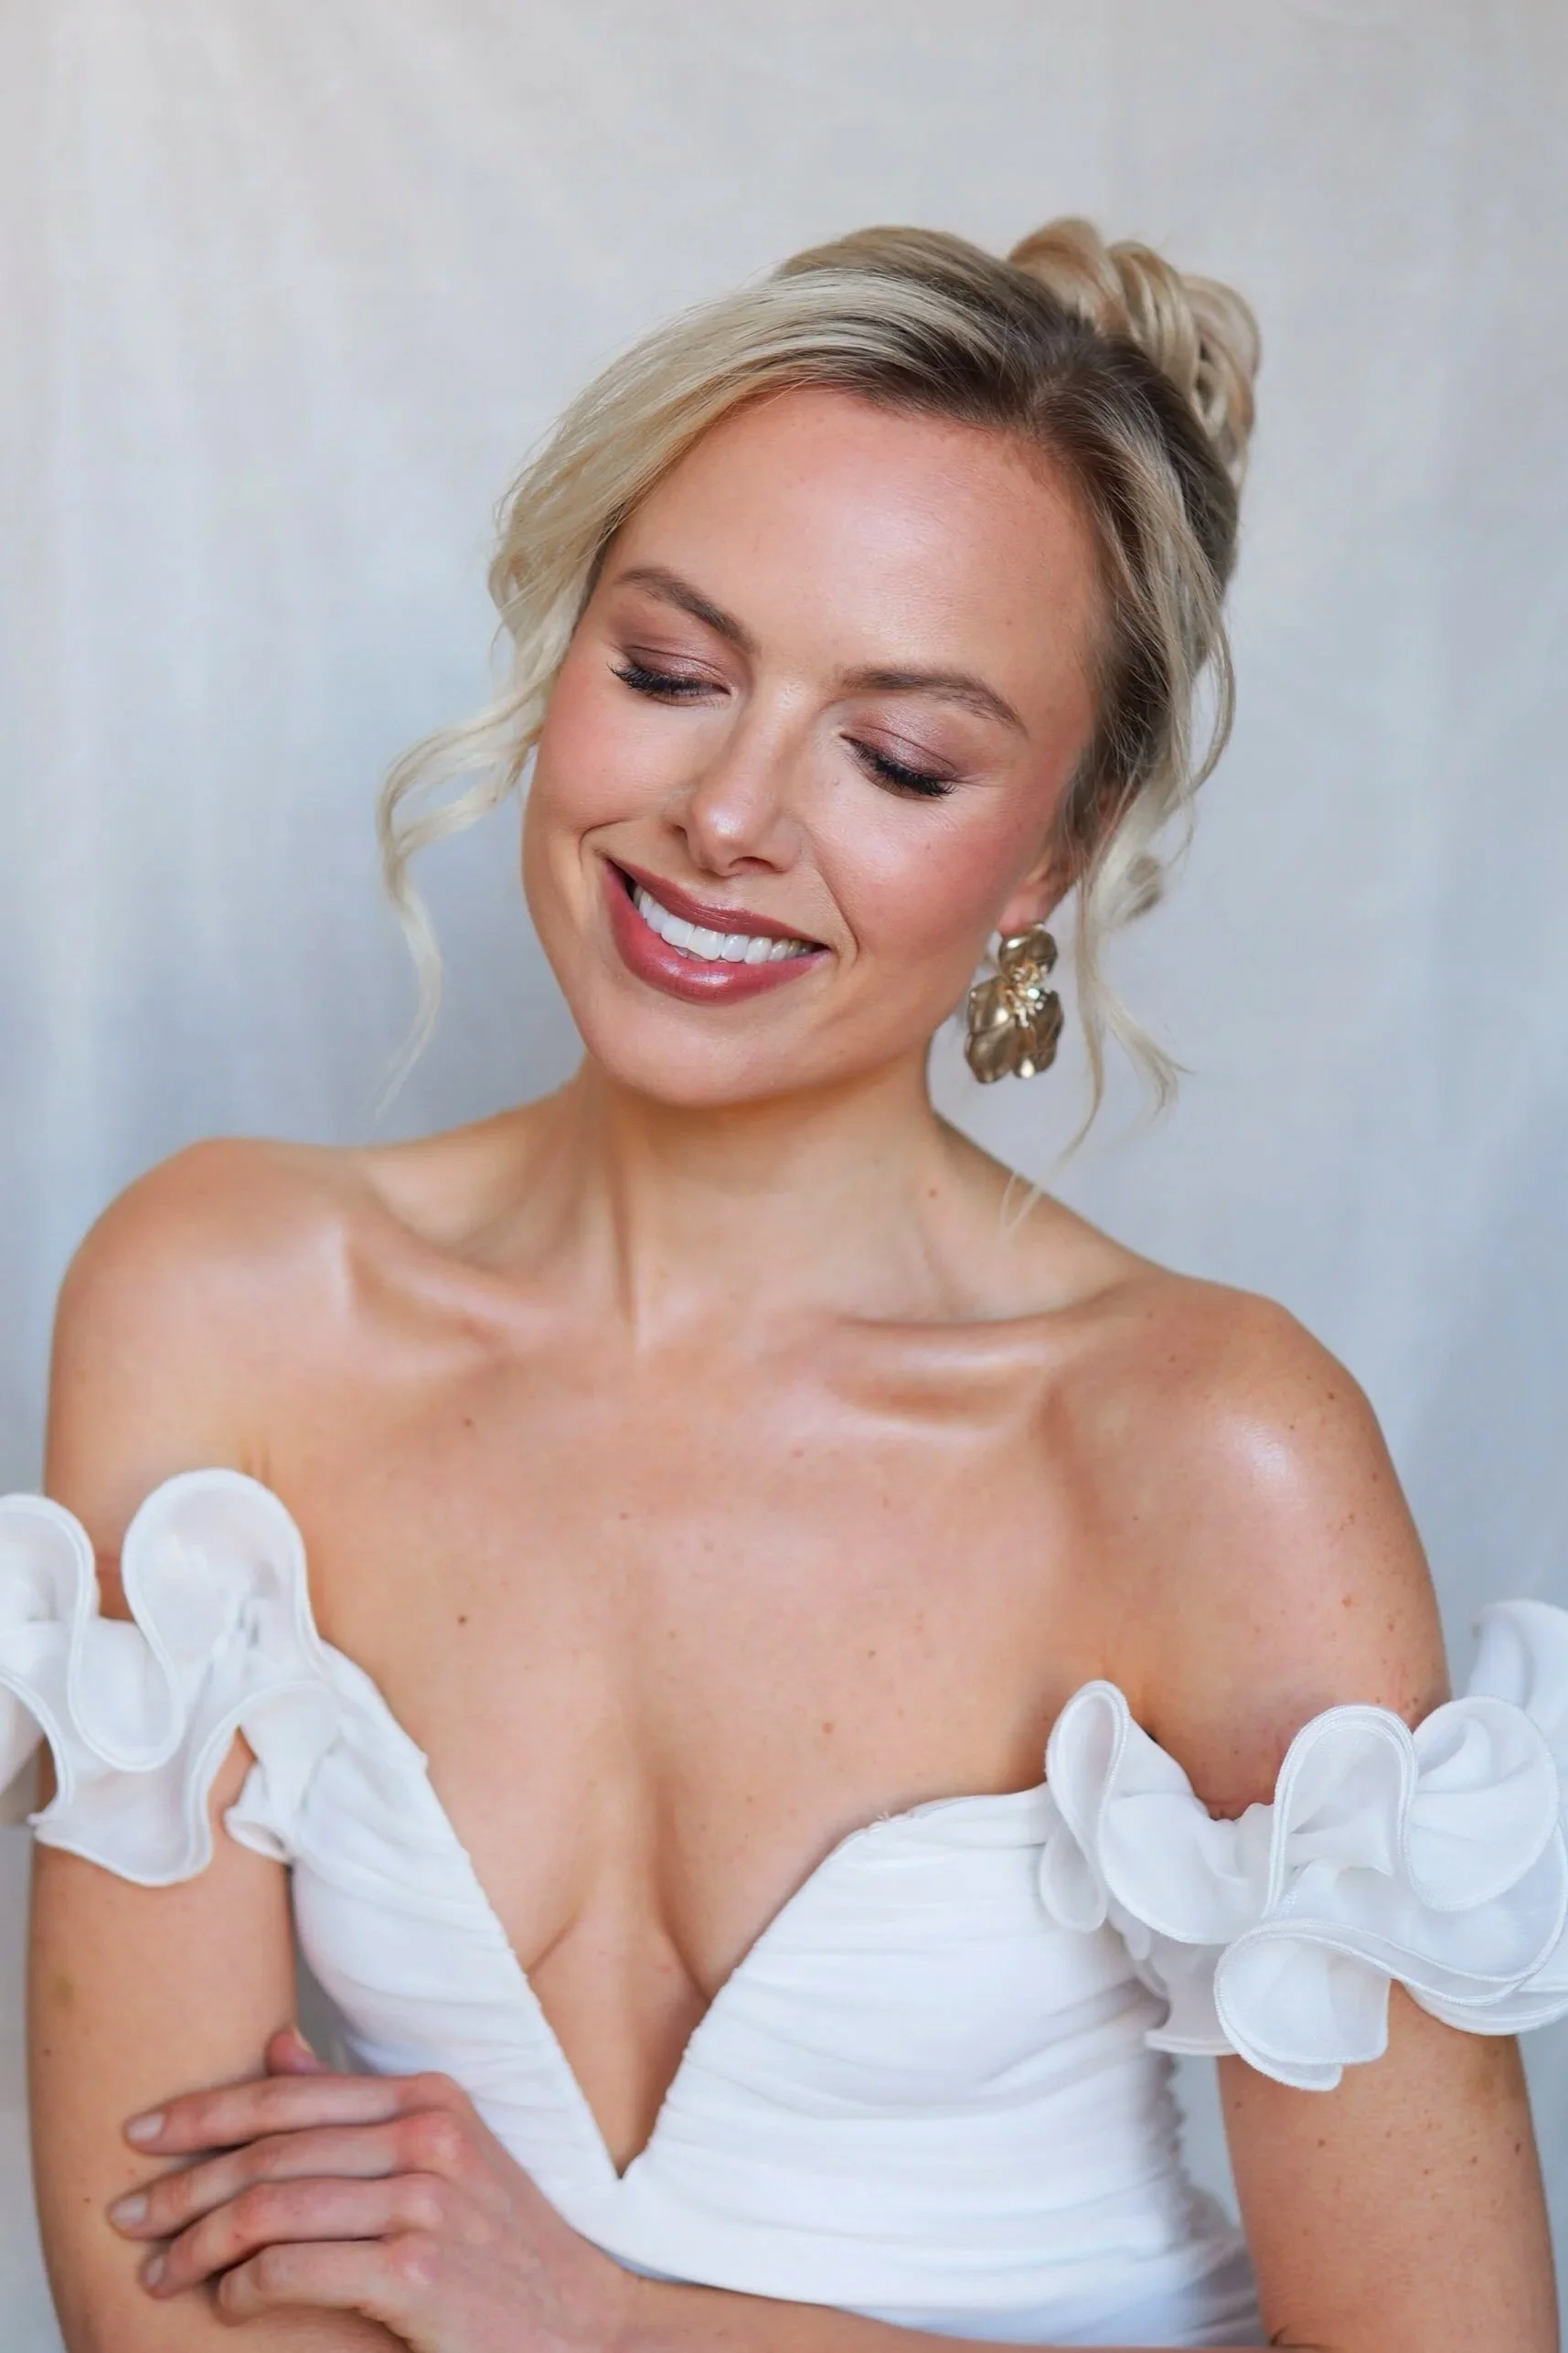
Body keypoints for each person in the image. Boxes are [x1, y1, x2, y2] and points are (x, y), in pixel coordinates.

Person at [2, 217, 1563, 2353]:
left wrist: (608, 2319)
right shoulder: (224, 1303)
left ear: (1050, 855)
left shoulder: (1206, 1452)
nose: (726, 811)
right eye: (666, 670)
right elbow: (157, 2284)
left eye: (896, 758)